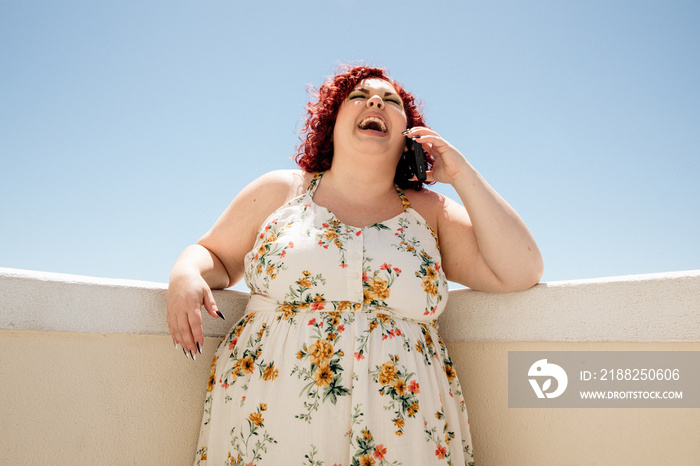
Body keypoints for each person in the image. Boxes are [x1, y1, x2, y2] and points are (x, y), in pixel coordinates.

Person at [166, 64, 543, 465]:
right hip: (271, 416)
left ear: (409, 137)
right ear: (332, 122)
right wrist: (185, 273)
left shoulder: (431, 214)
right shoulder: (282, 190)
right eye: (359, 97)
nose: (375, 101)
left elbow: (521, 270)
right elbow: (216, 257)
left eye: (391, 101)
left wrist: (462, 174)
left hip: (402, 428)